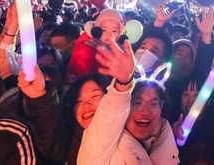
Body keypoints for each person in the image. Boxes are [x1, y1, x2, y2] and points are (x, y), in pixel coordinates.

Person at [76, 35, 179, 164]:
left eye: (153, 104)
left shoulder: (167, 145)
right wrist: (122, 84)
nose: (145, 111)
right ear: (125, 107)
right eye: (137, 103)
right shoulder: (101, 146)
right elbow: (111, 113)